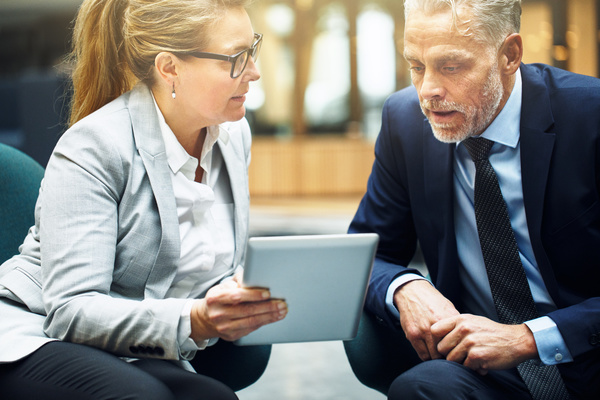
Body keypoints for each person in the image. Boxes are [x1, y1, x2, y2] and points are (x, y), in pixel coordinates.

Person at [0, 0, 288, 399]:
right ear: (170, 68)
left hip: (131, 345)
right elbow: (72, 311)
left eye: (251, 50)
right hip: (37, 334)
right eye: (235, 59)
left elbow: (199, 261)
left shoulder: (232, 136)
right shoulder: (94, 147)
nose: (254, 73)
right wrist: (195, 319)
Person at [347, 0, 600, 399]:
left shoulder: (590, 115)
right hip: (483, 367)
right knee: (420, 389)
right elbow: (365, 252)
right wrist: (405, 286)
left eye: (450, 67)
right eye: (416, 66)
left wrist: (529, 339)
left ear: (509, 55)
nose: (427, 90)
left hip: (588, 352)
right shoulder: (405, 121)